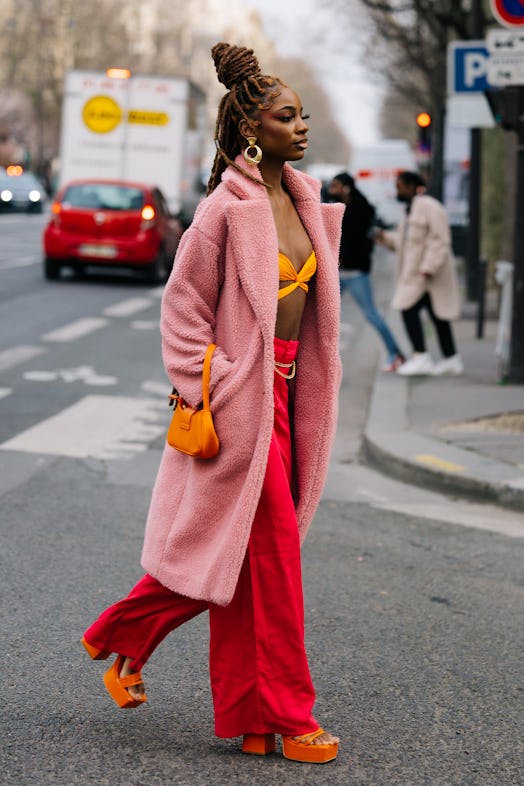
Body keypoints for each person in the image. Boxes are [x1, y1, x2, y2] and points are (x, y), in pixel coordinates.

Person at [81, 43, 342, 764]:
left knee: (249, 566)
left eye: (304, 114)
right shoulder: (225, 210)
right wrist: (216, 383)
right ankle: (289, 715)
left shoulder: (309, 200)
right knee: (274, 565)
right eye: (289, 116)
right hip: (243, 406)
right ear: (255, 128)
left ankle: (231, 703)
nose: (303, 125)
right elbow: (183, 308)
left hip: (293, 399)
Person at [376, 171, 463, 376]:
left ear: (412, 186)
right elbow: (404, 242)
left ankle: (421, 356)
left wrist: (428, 267)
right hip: (418, 275)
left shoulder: (429, 207)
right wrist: (384, 237)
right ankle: (450, 358)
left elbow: (440, 240)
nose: (397, 191)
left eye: (400, 187)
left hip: (426, 275)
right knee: (437, 316)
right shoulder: (411, 210)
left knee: (409, 309)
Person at [328, 172, 405, 372]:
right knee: (319, 313)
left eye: (336, 186)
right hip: (339, 271)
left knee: (371, 314)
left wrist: (343, 254)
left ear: (346, 187)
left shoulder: (360, 209)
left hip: (355, 271)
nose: (331, 190)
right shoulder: (337, 206)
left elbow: (356, 240)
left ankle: (395, 353)